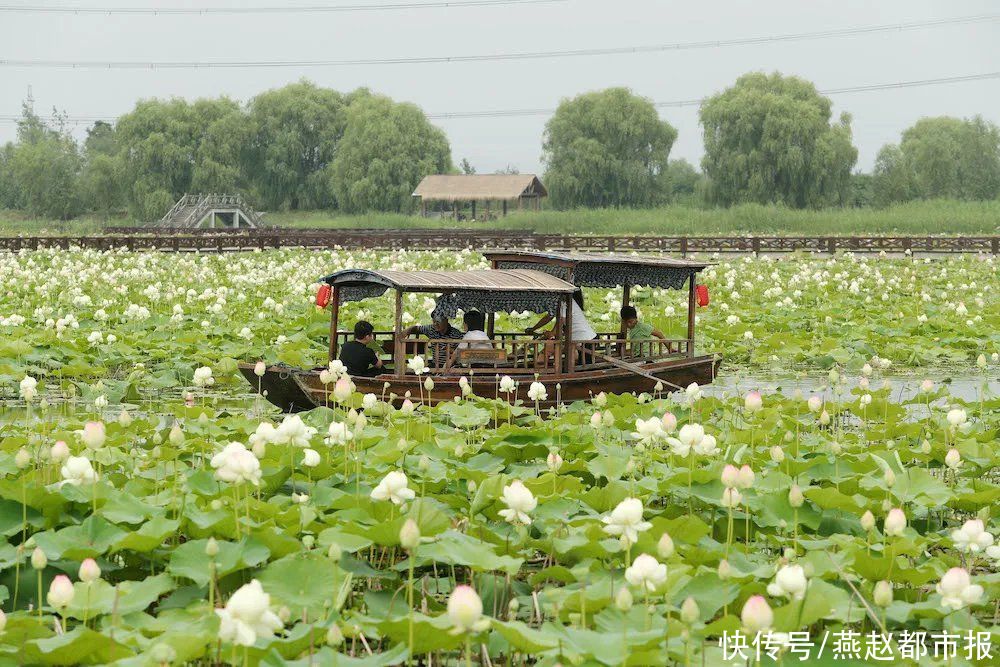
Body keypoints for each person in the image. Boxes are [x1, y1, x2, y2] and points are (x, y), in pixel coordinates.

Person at [525, 290, 597, 343]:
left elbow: (560, 321)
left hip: (585, 339)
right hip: (581, 339)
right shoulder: (562, 304)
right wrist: (533, 329)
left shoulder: (565, 304)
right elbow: (549, 317)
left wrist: (552, 333)